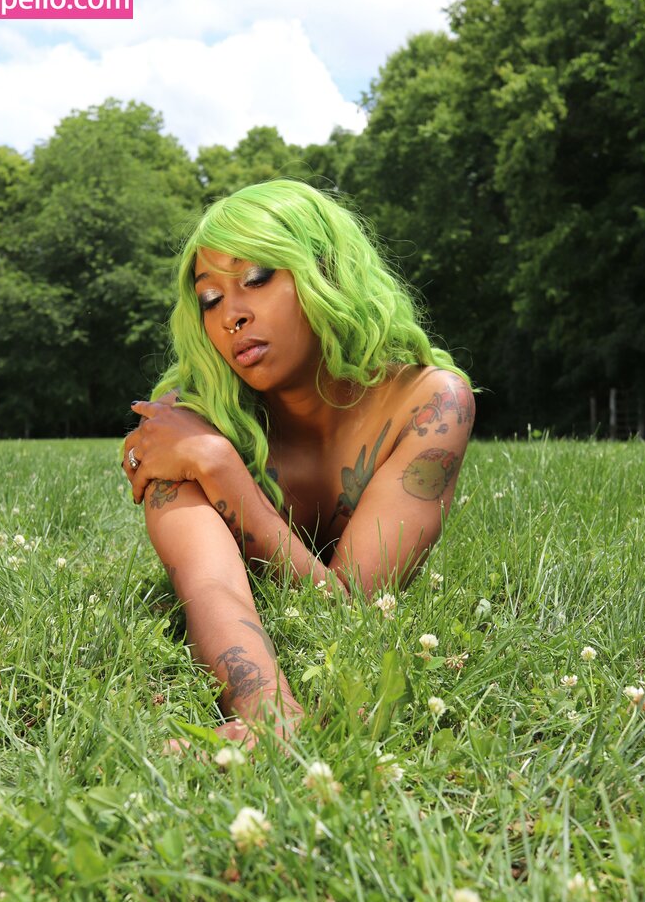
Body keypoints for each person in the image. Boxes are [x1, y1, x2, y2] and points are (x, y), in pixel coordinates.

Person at [122, 179, 475, 746]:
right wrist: (269, 716)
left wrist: (222, 470)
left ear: (326, 273)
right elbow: (209, 584)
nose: (231, 316)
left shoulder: (431, 404)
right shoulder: (185, 428)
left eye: (256, 278)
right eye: (210, 300)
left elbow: (352, 607)